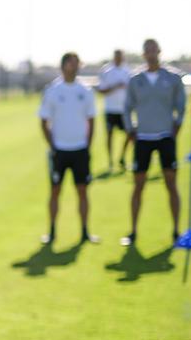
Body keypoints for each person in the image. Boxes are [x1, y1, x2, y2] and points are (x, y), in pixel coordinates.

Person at [122, 38, 186, 246]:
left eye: (153, 50)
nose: (151, 54)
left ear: (159, 51)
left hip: (166, 137)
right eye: (147, 51)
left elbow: (181, 106)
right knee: (138, 185)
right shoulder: (135, 80)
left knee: (171, 184)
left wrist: (176, 127)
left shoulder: (172, 78)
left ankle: (176, 231)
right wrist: (131, 129)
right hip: (143, 139)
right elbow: (127, 108)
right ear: (143, 54)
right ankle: (133, 232)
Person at [38, 52, 98, 245]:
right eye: (71, 63)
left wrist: (87, 146)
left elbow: (91, 120)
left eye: (77, 63)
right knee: (55, 191)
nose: (75, 67)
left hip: (80, 150)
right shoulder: (53, 91)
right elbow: (44, 120)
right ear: (63, 66)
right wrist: (53, 146)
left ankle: (85, 232)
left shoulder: (86, 90)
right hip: (60, 151)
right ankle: (52, 232)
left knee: (82, 191)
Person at [97, 49, 132, 172]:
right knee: (110, 135)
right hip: (110, 110)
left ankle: (122, 157)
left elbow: (132, 90)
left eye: (120, 56)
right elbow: (101, 91)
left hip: (124, 110)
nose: (118, 59)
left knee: (130, 134)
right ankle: (110, 161)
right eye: (116, 56)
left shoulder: (127, 71)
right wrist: (115, 86)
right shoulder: (107, 71)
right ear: (114, 57)